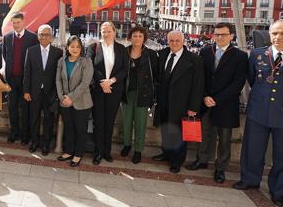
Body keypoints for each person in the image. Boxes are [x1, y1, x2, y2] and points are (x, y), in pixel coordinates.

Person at [233, 20, 283, 207]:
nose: (278, 37)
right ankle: (250, 180)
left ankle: (278, 191)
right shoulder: (257, 55)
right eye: (274, 33)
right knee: (252, 150)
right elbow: (252, 80)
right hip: (259, 111)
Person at [187, 22, 247, 183]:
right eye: (217, 34)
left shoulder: (240, 56)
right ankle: (202, 160)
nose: (219, 37)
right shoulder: (205, 51)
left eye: (223, 34)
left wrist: (217, 99)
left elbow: (238, 83)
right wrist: (205, 96)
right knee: (204, 134)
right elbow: (200, 77)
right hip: (206, 102)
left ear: (231, 36)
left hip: (226, 105)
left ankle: (220, 168)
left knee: (224, 139)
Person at [152, 30, 204, 174]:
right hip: (163, 101)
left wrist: (193, 107)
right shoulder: (162, 55)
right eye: (171, 41)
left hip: (182, 104)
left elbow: (198, 85)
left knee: (180, 134)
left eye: (177, 41)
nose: (174, 43)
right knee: (165, 129)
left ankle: (176, 161)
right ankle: (166, 153)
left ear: (183, 42)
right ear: (167, 41)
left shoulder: (194, 59)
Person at [86, 21, 128, 165]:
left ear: (114, 32)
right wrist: (103, 83)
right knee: (98, 122)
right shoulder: (93, 47)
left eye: (109, 31)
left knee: (109, 123)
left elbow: (124, 69)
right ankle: (98, 153)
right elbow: (90, 67)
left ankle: (106, 152)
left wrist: (112, 81)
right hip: (98, 90)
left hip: (114, 91)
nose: (106, 33)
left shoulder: (122, 49)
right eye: (103, 31)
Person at [120, 26, 158, 164]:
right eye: (134, 36)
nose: (137, 38)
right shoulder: (124, 52)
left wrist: (153, 96)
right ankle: (127, 145)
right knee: (126, 121)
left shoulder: (151, 55)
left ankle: (138, 150)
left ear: (144, 38)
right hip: (126, 92)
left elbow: (156, 76)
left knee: (141, 123)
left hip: (143, 93)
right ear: (130, 37)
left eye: (140, 36)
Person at [23, 24, 63, 156]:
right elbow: (27, 72)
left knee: (49, 119)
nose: (44, 37)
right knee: (34, 118)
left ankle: (45, 144)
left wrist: (57, 93)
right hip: (34, 92)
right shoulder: (31, 50)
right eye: (41, 34)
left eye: (46, 34)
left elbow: (59, 75)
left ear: (51, 37)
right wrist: (26, 91)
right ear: (38, 36)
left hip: (50, 93)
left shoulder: (58, 53)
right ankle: (34, 142)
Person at [56, 36, 93, 167]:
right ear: (67, 47)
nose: (75, 49)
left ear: (81, 48)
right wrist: (62, 97)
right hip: (64, 102)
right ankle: (68, 151)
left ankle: (78, 154)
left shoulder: (86, 61)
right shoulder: (62, 61)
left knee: (80, 129)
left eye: (77, 46)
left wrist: (71, 97)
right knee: (69, 128)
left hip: (82, 102)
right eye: (72, 46)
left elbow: (85, 83)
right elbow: (58, 81)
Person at [2, 12, 39, 144]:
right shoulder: (6, 37)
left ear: (24, 22)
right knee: (12, 108)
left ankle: (25, 135)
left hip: (26, 80)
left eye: (18, 22)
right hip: (11, 79)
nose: (16, 25)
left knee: (25, 109)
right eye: (14, 23)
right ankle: (14, 132)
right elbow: (6, 56)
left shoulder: (33, 38)